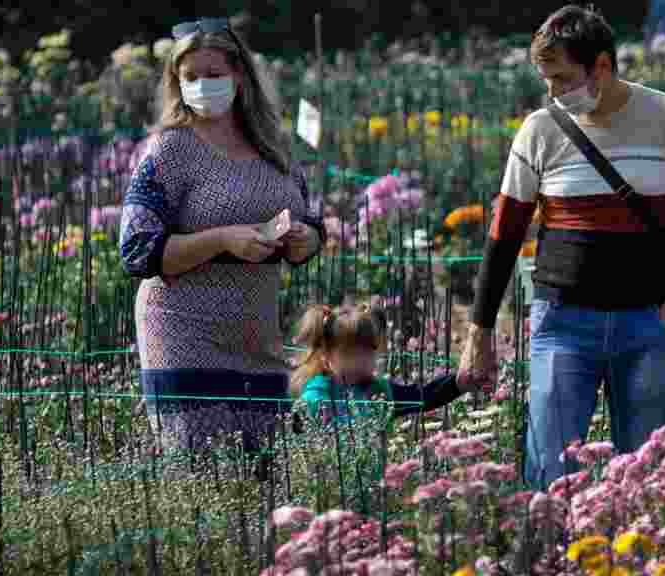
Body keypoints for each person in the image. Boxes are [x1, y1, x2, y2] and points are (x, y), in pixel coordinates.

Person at [457, 4, 665, 490]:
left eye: (562, 78)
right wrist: (479, 332)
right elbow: (504, 236)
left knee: (646, 477)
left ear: (602, 65)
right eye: (546, 80)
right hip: (562, 323)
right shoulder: (540, 129)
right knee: (551, 474)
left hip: (645, 323)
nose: (553, 92)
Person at [118, 18, 327, 459]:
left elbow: (309, 220)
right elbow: (137, 249)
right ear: (176, 83)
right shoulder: (169, 150)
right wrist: (223, 239)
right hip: (182, 329)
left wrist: (307, 239)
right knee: (205, 470)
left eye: (212, 74)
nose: (201, 85)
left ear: (239, 76)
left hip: (257, 335)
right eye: (189, 77)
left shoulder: (275, 149)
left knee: (270, 474)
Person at [291, 303, 470, 430]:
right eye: (349, 354)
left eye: (367, 352)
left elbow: (423, 395)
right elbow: (302, 415)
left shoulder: (379, 391)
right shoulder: (320, 391)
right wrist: (308, 414)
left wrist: (458, 382)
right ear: (325, 355)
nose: (359, 362)